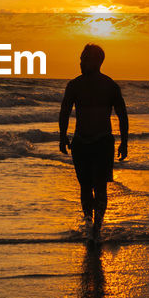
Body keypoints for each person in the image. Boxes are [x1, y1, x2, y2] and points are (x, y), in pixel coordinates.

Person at [59, 43, 129, 242]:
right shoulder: (74, 85)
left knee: (100, 186)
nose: (80, 63)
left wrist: (124, 142)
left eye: (84, 59)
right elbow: (64, 111)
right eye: (80, 59)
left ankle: (97, 227)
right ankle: (89, 223)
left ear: (97, 61)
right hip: (80, 142)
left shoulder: (110, 86)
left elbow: (122, 115)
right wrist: (62, 135)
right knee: (84, 186)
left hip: (103, 142)